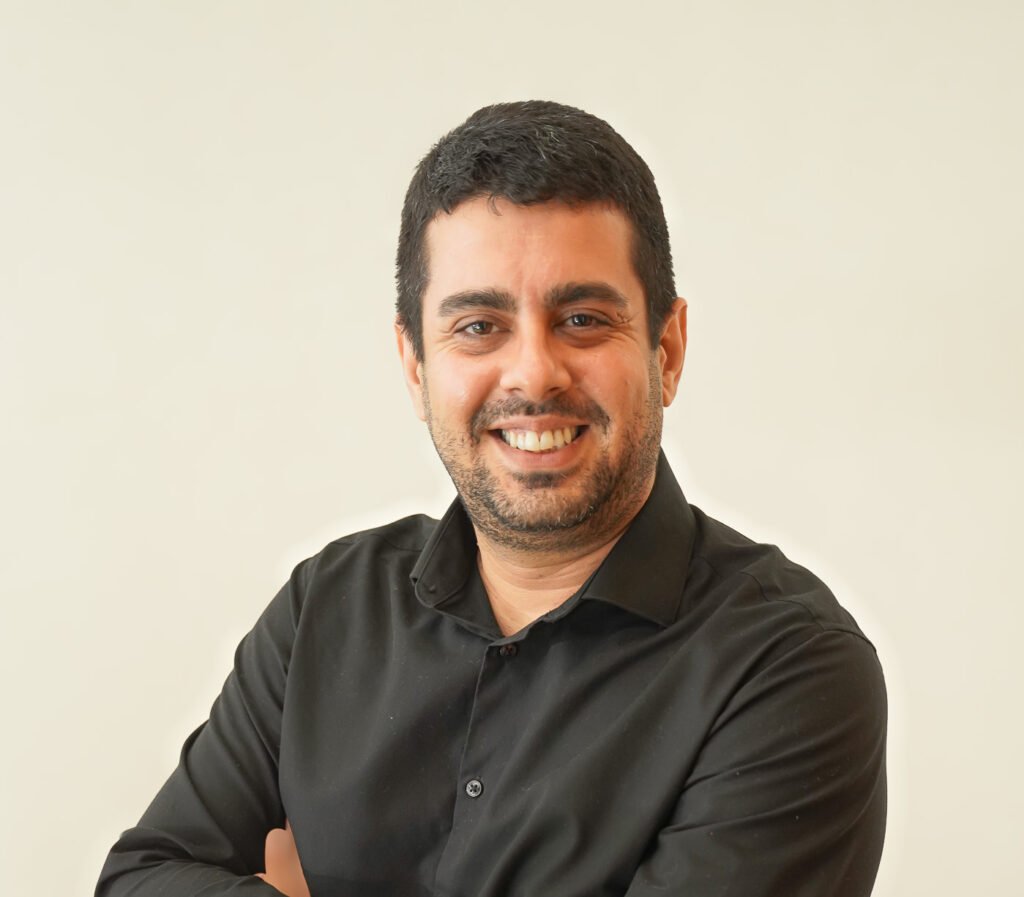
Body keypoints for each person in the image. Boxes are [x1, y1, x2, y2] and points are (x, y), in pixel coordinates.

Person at [96, 101, 887, 897]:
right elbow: (140, 878)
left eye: (583, 319)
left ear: (668, 350)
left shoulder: (790, 667)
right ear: (415, 366)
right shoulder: (327, 606)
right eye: (479, 326)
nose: (534, 372)